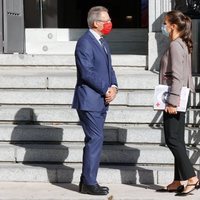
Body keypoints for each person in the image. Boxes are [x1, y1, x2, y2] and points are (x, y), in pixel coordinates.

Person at [72, 6, 118, 195]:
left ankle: (86, 181)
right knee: (95, 139)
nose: (109, 23)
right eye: (106, 20)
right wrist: (105, 88)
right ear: (96, 23)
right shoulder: (85, 43)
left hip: (101, 100)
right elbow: (87, 73)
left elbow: (109, 69)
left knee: (95, 139)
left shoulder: (103, 42)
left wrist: (114, 86)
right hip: (89, 100)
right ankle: (89, 183)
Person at [157, 10, 199, 196]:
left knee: (172, 139)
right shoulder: (182, 43)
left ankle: (191, 177)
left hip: (174, 97)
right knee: (178, 140)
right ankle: (177, 180)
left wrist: (172, 101)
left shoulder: (175, 45)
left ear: (173, 26)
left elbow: (177, 76)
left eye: (165, 23)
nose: (164, 27)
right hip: (181, 96)